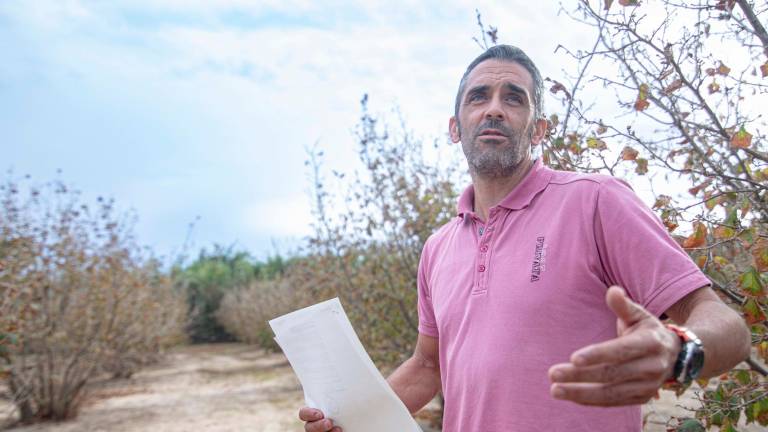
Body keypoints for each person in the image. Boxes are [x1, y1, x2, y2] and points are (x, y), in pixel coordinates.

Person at [299, 45, 751, 431]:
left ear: (538, 129)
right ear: (455, 128)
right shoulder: (438, 248)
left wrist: (680, 350)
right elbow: (427, 365)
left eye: (513, 98)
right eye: (479, 96)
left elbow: (727, 326)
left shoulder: (597, 202)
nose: (494, 108)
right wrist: (349, 420)